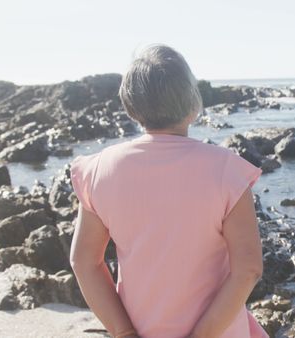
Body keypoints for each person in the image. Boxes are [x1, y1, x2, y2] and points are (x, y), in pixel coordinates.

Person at [68, 44, 268, 338]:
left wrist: (123, 331)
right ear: (193, 103)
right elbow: (248, 268)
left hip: (142, 329)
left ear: (131, 107)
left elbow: (84, 262)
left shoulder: (99, 170)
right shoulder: (227, 170)